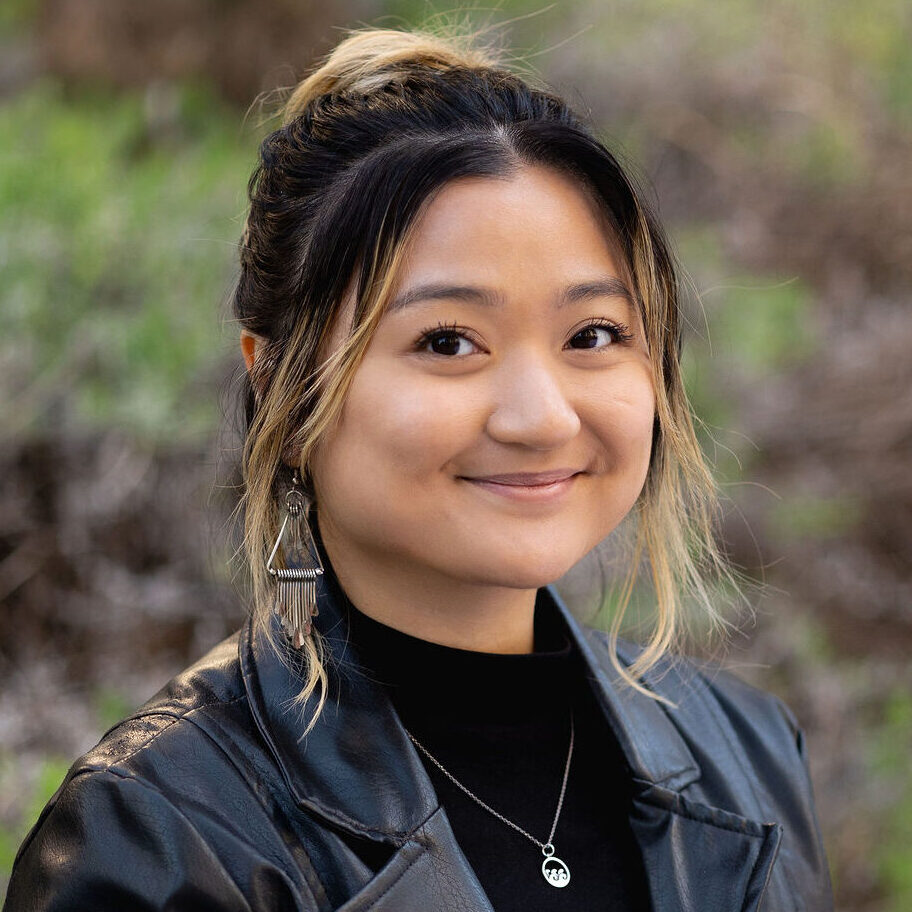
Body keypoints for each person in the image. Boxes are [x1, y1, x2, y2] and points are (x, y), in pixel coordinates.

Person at [4, 23, 833, 912]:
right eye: (449, 342)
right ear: (281, 384)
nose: (542, 416)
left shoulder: (747, 756)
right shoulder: (166, 837)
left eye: (592, 335)